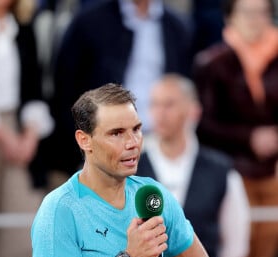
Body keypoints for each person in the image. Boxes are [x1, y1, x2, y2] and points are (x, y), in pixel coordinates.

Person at [31, 83, 214, 257]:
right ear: (84, 140)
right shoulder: (59, 209)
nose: (132, 143)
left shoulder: (152, 195)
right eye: (117, 133)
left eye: (136, 129)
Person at [45, 0, 194, 187]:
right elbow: (64, 91)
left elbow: (185, 89)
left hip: (162, 144)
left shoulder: (177, 27)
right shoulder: (89, 22)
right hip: (104, 142)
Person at [136, 73, 250, 257]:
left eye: (169, 104)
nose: (160, 113)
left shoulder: (221, 170)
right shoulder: (132, 169)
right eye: (154, 104)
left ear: (193, 110)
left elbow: (236, 245)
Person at [193, 0, 278, 257]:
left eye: (262, 12)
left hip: (271, 173)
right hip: (231, 173)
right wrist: (250, 137)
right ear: (230, 17)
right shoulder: (212, 62)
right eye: (248, 12)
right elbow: (203, 124)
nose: (256, 20)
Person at [0, 0, 54, 257]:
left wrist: (30, 134)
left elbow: (35, 87)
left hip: (18, 128)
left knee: (22, 218)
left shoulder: (23, 28)